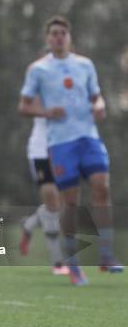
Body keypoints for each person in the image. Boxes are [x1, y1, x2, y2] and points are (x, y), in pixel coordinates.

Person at [19, 15, 123, 285]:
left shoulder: (85, 65)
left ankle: (106, 254)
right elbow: (24, 106)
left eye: (62, 33)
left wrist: (100, 104)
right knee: (71, 202)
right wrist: (45, 111)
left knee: (102, 187)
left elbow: (95, 94)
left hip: (88, 137)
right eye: (53, 33)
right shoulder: (38, 70)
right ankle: (73, 262)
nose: (58, 37)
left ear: (69, 36)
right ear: (47, 38)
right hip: (60, 143)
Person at [17, 113, 68, 275]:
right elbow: (25, 108)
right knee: (52, 204)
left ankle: (28, 225)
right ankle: (58, 262)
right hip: (41, 151)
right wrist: (52, 111)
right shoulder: (39, 88)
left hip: (64, 149)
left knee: (58, 204)